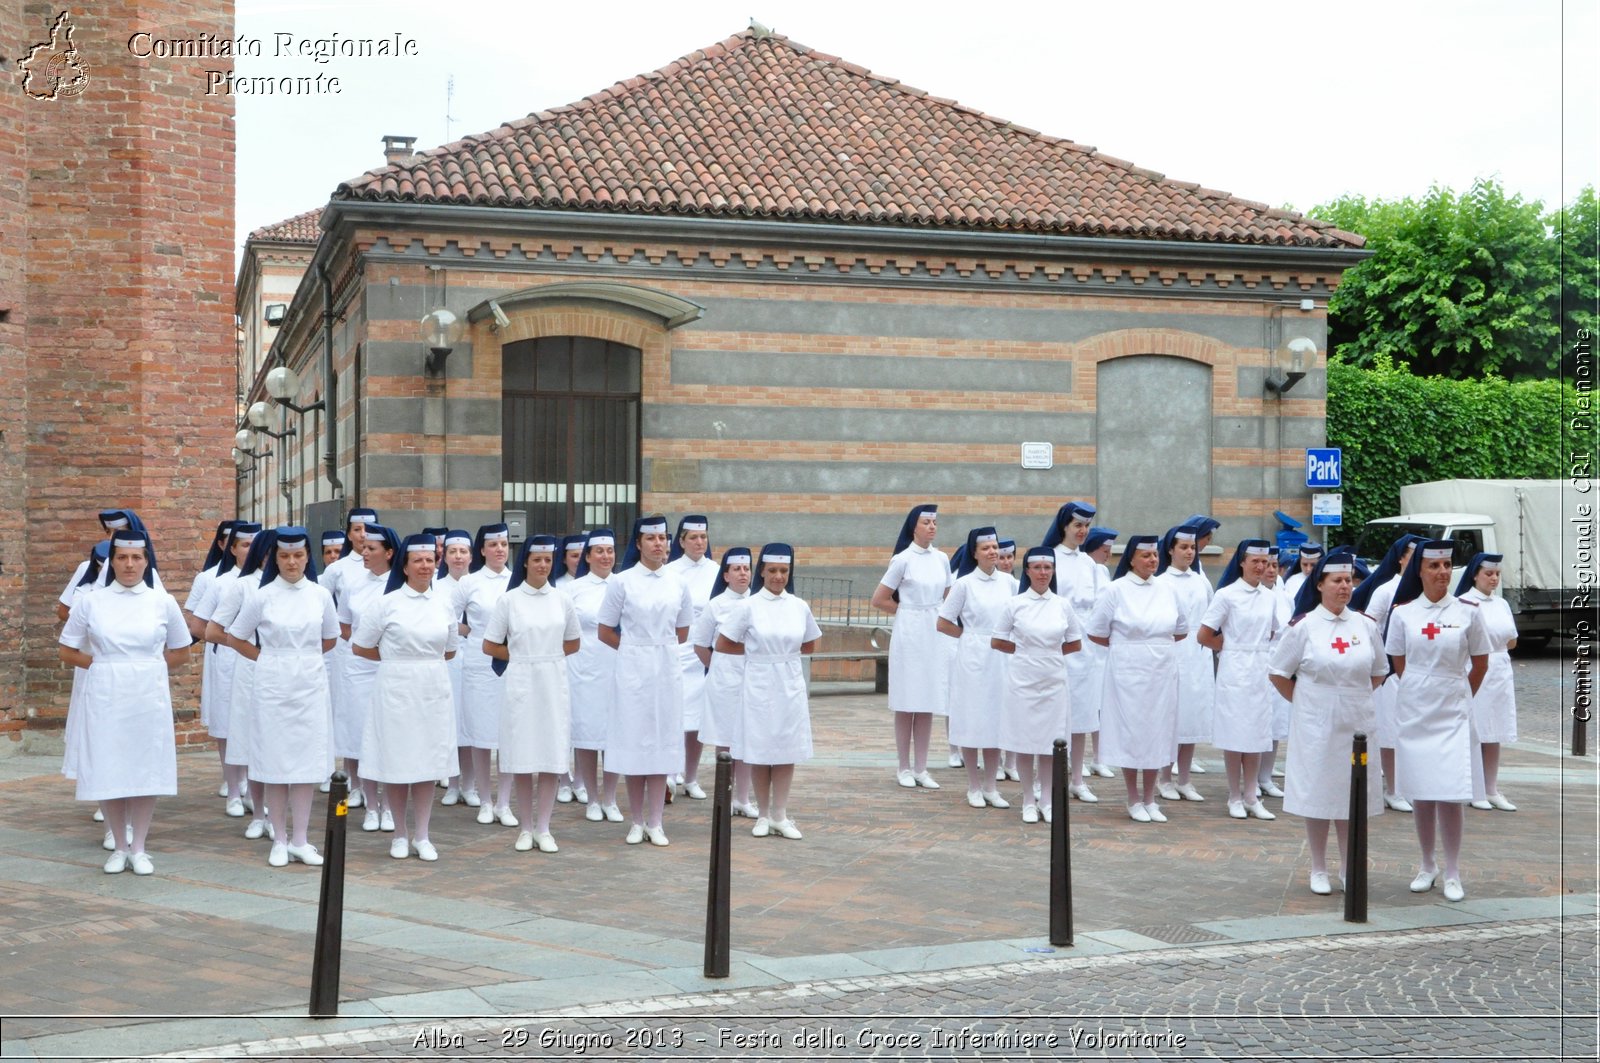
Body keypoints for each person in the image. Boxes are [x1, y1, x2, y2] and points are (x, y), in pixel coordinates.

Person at [58, 526, 190, 874]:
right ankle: (118, 845)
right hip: (105, 690)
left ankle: (140, 847)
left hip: (147, 692)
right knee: (110, 763)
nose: (129, 564)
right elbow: (67, 649)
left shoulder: (162, 601)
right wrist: (100, 665)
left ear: (147, 561)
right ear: (111, 562)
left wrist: (152, 670)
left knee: (144, 765)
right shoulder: (91, 602)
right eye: (122, 557)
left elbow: (181, 650)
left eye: (136, 557)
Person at [1268, 549, 1387, 895]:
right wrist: (1307, 701)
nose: (1344, 587)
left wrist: (1352, 697)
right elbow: (1278, 673)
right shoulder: (1304, 627)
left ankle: (1350, 866)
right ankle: (1318, 867)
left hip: (1356, 722)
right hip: (1316, 722)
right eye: (1337, 580)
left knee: (1353, 794)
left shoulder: (1365, 625)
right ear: (1320, 584)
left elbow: (1378, 672)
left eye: (1348, 580)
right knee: (1318, 792)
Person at [223, 528, 339, 868]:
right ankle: (280, 839)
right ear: (275, 558)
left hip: (309, 684)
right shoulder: (262, 596)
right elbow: (235, 636)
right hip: (272, 683)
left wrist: (302, 659)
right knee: (274, 762)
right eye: (285, 556)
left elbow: (330, 638)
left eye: (298, 556)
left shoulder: (320, 595)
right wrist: (269, 659)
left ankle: (300, 840)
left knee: (304, 763)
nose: (291, 562)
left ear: (307, 557)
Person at [1386, 540, 1490, 901]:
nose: (1442, 573)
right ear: (1421, 571)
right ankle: (1427, 863)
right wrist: (1420, 688)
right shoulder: (1403, 614)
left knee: (1450, 791)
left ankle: (1453, 870)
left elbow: (1480, 663)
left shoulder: (1469, 612)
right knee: (1422, 790)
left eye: (1447, 565)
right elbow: (1399, 662)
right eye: (1434, 566)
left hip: (1452, 710)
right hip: (1416, 708)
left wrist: (1457, 693)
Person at [352, 533, 461, 861]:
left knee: (428, 763)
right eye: (419, 561)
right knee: (398, 762)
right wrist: (394, 662)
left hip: (432, 686)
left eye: (430, 560)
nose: (426, 566)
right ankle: (399, 834)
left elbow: (451, 650)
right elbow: (360, 645)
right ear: (405, 565)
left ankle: (423, 835)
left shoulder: (444, 603)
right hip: (396, 687)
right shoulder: (386, 604)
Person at [714, 543, 823, 838]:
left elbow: (811, 643)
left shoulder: (799, 606)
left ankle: (780, 815)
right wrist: (756, 652)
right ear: (761, 571)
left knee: (786, 748)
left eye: (784, 571)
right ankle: (762, 814)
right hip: (758, 680)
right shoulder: (747, 606)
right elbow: (723, 643)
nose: (777, 576)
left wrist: (783, 654)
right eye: (772, 570)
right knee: (760, 747)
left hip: (788, 680)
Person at [597, 515, 693, 845]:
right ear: (638, 544)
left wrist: (657, 649)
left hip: (666, 665)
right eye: (650, 539)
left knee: (662, 742)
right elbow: (605, 630)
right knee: (634, 742)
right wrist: (633, 650)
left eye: (663, 539)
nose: (658, 544)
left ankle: (656, 821)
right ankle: (636, 820)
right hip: (631, 666)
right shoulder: (622, 582)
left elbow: (682, 630)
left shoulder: (678, 582)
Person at [483, 534, 582, 853]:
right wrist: (524, 656)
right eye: (537, 559)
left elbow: (573, 641)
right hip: (521, 681)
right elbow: (490, 644)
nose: (542, 565)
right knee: (523, 754)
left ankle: (544, 827)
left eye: (548, 560)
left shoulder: (562, 600)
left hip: (552, 680)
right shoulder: (509, 600)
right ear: (525, 560)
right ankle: (525, 828)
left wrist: (546, 656)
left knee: (552, 755)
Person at [1086, 536, 1186, 823]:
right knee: (1133, 731)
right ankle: (1133, 797)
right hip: (1128, 669)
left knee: (1157, 729)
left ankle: (1151, 797)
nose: (1152, 560)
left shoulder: (1168, 589)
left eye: (1155, 555)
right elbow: (1096, 631)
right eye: (1145, 556)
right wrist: (1129, 648)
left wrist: (1154, 646)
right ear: (1131, 558)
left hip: (1162, 668)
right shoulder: (1115, 590)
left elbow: (1181, 629)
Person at [990, 547, 1083, 823]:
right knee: (1024, 739)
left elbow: (1075, 642)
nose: (1043, 573)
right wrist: (1026, 652)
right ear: (1027, 571)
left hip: (1054, 679)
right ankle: (1028, 799)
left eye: (1048, 568)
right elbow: (997, 640)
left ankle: (1047, 800)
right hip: (1022, 678)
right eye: (1037, 567)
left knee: (1049, 741)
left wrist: (1049, 654)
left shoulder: (1062, 605)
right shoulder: (1015, 604)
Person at [870, 503, 951, 789]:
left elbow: (948, 595)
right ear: (913, 526)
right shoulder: (902, 560)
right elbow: (879, 598)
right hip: (909, 630)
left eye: (934, 522)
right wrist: (907, 611)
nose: (931, 527)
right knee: (907, 701)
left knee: (927, 700)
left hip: (934, 631)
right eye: (926, 522)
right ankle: (903, 767)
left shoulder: (942, 558)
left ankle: (921, 768)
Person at [1199, 539, 1280, 822]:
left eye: (1265, 562)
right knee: (1235, 734)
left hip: (1260, 667)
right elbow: (1204, 635)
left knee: (1257, 734)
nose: (1260, 567)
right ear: (1242, 562)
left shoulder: (1270, 596)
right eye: (1254, 561)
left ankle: (1251, 796)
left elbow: (1273, 632)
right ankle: (1234, 795)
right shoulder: (1227, 595)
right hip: (1234, 667)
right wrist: (1231, 647)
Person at [937, 526, 1013, 809]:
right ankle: (973, 785)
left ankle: (991, 786)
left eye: (995, 547)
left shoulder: (1009, 583)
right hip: (972, 657)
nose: (992, 552)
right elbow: (943, 621)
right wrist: (969, 637)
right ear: (974, 553)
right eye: (986, 548)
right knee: (972, 718)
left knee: (996, 720)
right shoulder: (964, 584)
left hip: (1000, 657)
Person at [193, 521, 261, 822]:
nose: (250, 550)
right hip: (229, 659)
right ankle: (234, 789)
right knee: (227, 724)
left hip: (260, 662)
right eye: (244, 545)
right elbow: (199, 626)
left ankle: (254, 790)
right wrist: (231, 641)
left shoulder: (268, 582)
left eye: (255, 545)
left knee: (255, 722)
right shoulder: (219, 582)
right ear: (232, 548)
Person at [1352, 532, 1424, 812]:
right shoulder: (1385, 590)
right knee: (1391, 731)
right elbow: (1369, 627)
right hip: (1393, 670)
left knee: (1417, 730)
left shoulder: (1425, 591)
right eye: (1412, 556)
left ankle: (1415, 786)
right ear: (1400, 559)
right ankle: (1393, 790)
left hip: (1421, 669)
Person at [1045, 502, 1113, 788]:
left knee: (1084, 711)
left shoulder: (1090, 564)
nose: (1083, 531)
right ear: (1065, 527)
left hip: (1086, 646)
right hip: (1058, 640)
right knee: (1055, 711)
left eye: (1086, 526)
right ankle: (1048, 778)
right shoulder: (1050, 558)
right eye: (1077, 526)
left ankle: (1076, 779)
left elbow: (1100, 605)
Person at [337, 523, 400, 830]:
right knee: (362, 734)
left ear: (388, 553)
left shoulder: (399, 586)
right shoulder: (353, 584)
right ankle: (371, 804)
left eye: (371, 549)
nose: (364, 552)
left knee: (388, 736)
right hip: (359, 668)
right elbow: (345, 627)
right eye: (363, 548)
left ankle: (389, 805)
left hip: (389, 667)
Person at [451, 523, 515, 826]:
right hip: (479, 661)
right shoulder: (470, 582)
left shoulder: (519, 580)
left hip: (514, 661)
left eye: (504, 544)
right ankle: (485, 800)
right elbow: (447, 617)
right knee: (480, 733)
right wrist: (469, 632)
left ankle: (504, 801)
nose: (500, 549)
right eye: (493, 545)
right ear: (482, 550)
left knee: (509, 732)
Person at [564, 528, 623, 823]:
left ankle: (610, 798)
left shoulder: (624, 585)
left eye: (610, 551)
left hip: (617, 666)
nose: (605, 556)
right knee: (587, 734)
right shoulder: (574, 589)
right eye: (599, 551)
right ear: (588, 556)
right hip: (583, 669)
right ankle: (592, 797)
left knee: (613, 733)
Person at [691, 547, 756, 815]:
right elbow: (700, 644)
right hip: (724, 678)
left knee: (749, 737)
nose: (742, 573)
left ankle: (743, 797)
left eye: (746, 568)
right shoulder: (715, 605)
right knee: (725, 738)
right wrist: (718, 667)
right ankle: (725, 796)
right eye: (736, 569)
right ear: (726, 575)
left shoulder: (759, 602)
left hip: (754, 677)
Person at [1155, 523, 1214, 803]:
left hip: (1198, 653)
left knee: (1193, 715)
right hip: (1175, 650)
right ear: (1171, 550)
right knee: (1172, 716)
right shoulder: (1162, 582)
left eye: (1192, 547)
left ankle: (1185, 779)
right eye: (1183, 547)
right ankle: (1164, 777)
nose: (1189, 552)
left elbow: (1211, 615)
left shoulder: (1201, 580)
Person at [1457, 554, 1519, 812]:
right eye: (1488, 574)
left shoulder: (1501, 603)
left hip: (1500, 669)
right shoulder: (1465, 603)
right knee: (1476, 729)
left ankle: (1491, 787)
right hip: (1476, 667)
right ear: (1475, 575)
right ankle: (1474, 788)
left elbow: (1512, 639)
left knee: (1495, 729)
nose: (1493, 578)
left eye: (1497, 574)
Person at [664, 514, 718, 799]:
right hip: (678, 647)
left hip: (705, 651)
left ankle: (692, 776)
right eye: (693, 537)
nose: (699, 542)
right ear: (681, 541)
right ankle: (670, 774)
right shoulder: (671, 571)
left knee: (697, 720)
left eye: (704, 537)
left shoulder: (717, 571)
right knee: (676, 714)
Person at [435, 529, 474, 805]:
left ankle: (470, 785)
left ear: (471, 555)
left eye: (463, 551)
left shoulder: (479, 583)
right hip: (448, 660)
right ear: (444, 556)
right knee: (450, 721)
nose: (458, 557)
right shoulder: (436, 588)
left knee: (473, 722)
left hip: (476, 660)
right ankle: (452, 783)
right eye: (453, 551)